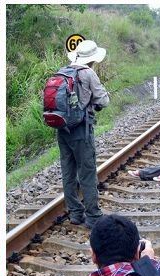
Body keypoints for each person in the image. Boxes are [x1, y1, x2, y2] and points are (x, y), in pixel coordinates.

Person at [59, 40, 110, 229]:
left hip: (62, 129)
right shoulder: (89, 73)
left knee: (68, 171)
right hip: (81, 129)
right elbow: (102, 101)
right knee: (87, 172)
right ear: (93, 59)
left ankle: (74, 213)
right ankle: (93, 216)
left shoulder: (63, 71)